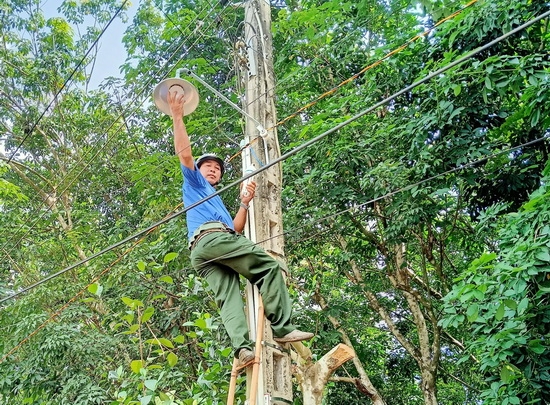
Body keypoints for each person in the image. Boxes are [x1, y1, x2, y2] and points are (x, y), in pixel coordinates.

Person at [167, 89, 314, 366]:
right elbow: (185, 156)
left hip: (203, 251)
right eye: (207, 166)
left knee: (229, 297)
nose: (212, 170)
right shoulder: (194, 183)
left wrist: (245, 203)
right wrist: (177, 115)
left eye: (217, 169)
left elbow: (235, 228)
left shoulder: (215, 201)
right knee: (268, 267)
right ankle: (282, 329)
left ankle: (242, 350)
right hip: (211, 241)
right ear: (199, 171)